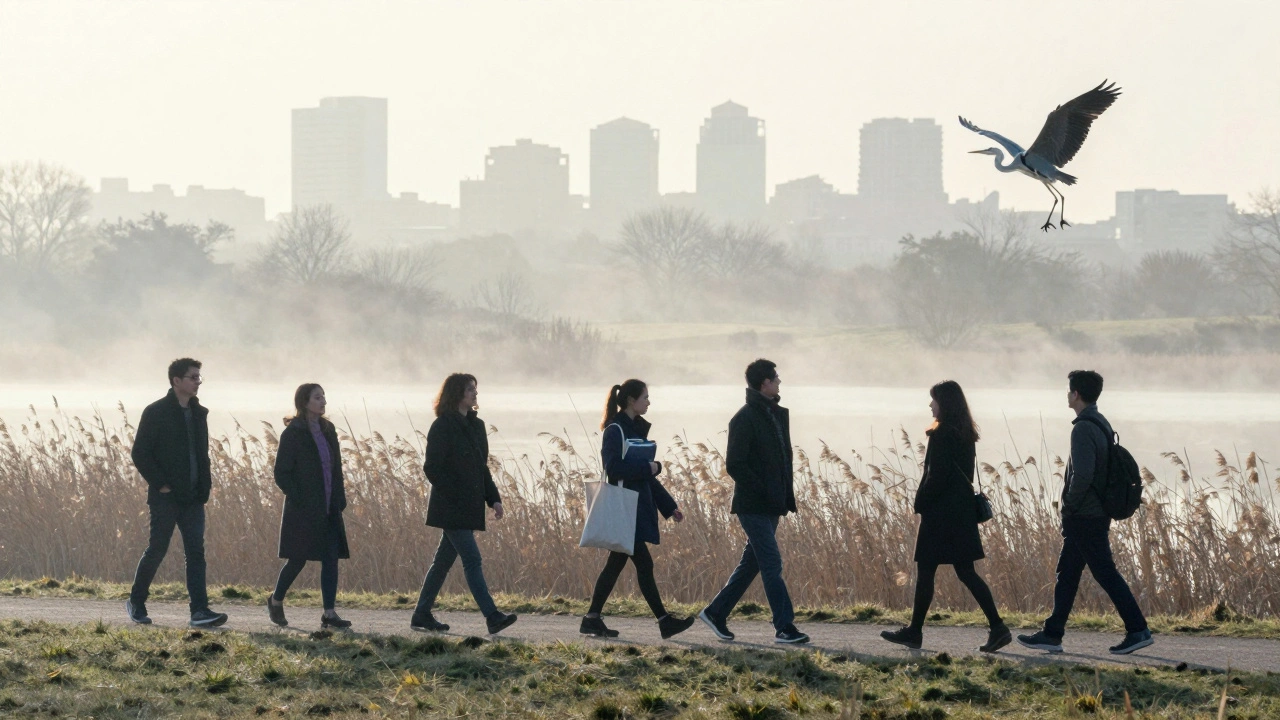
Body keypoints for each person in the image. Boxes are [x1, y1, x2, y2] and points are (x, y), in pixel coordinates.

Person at [1018, 370, 1154, 655]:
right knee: (1067, 573)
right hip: (1094, 513)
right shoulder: (1100, 422)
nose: (1067, 395)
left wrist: (1068, 504)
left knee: (1105, 573)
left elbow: (1083, 474)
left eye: (1069, 391)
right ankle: (1052, 634)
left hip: (1085, 516)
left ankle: (1137, 629)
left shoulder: (1082, 428)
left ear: (1076, 393)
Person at [880, 381, 1010, 652]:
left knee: (927, 571)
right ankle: (997, 627)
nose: (930, 405)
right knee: (965, 572)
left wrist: (921, 503)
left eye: (934, 400)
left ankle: (915, 632)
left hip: (940, 514)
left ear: (945, 403)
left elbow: (936, 477)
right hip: (960, 513)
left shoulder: (941, 435)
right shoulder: (964, 433)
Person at [698, 359, 809, 644]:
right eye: (776, 378)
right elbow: (735, 464)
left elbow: (782, 459)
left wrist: (782, 495)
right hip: (752, 505)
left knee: (752, 563)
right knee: (771, 562)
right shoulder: (744, 418)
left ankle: (715, 613)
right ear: (764, 384)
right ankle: (785, 626)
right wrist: (764, 490)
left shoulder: (775, 414)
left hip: (772, 504)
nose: (780, 382)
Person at [580, 380, 697, 640]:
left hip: (634, 508)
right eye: (645, 397)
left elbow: (647, 479)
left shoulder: (635, 429)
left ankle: (592, 618)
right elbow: (614, 469)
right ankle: (664, 622)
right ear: (632, 400)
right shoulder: (615, 430)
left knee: (617, 564)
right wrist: (650, 467)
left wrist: (669, 507)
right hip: (625, 509)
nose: (648, 402)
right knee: (643, 563)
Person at [409, 373, 518, 635]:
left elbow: (482, 468)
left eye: (475, 389)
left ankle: (421, 614)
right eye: (470, 389)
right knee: (472, 558)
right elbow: (432, 468)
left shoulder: (476, 426)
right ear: (457, 393)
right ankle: (492, 616)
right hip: (450, 506)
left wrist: (494, 498)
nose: (475, 394)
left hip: (468, 505)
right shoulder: (442, 426)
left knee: (442, 562)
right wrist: (454, 492)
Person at [126, 358, 228, 628]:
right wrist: (161, 484)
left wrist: (204, 487)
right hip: (166, 497)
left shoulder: (199, 413)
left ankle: (199, 611)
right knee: (157, 548)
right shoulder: (156, 412)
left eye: (199, 377)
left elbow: (201, 455)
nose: (198, 381)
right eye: (193, 377)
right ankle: (136, 602)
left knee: (196, 552)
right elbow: (140, 453)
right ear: (176, 381)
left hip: (193, 497)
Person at [267, 384, 352, 629]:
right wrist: (299, 498)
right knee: (297, 558)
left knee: (330, 558)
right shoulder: (293, 433)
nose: (323, 401)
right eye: (317, 397)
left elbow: (336, 468)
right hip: (303, 508)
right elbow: (281, 473)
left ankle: (329, 614)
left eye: (324, 396)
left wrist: (340, 497)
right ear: (304, 402)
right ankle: (276, 600)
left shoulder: (328, 429)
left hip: (329, 505)